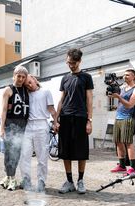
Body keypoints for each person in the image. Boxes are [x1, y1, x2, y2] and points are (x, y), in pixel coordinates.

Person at [55, 48, 94, 194]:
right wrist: (56, 119)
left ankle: (81, 180)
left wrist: (89, 120)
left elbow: (89, 99)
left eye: (72, 63)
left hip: (80, 117)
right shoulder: (64, 78)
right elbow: (61, 100)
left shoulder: (86, 77)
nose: (70, 65)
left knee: (81, 151)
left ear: (79, 61)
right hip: (65, 117)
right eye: (68, 62)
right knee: (65, 151)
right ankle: (69, 181)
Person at [19, 75, 57, 192]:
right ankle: (26, 179)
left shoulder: (45, 92)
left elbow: (51, 109)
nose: (29, 85)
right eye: (27, 85)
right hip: (28, 125)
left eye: (30, 82)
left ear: (35, 80)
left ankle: (41, 180)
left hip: (41, 125)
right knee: (25, 155)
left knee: (42, 156)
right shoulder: (26, 95)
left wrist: (56, 122)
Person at [0, 65, 29, 191]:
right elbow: (4, 110)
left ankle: (10, 176)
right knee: (9, 152)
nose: (21, 79)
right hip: (11, 124)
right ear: (14, 76)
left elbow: (37, 85)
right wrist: (2, 128)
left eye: (23, 77)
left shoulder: (27, 90)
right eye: (19, 76)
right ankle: (10, 177)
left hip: (23, 124)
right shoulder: (8, 90)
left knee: (17, 153)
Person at [110, 69, 135, 175]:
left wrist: (118, 97)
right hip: (118, 117)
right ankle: (122, 166)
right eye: (124, 75)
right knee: (118, 142)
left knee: (128, 142)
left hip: (128, 118)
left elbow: (130, 105)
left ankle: (133, 168)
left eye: (127, 75)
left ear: (133, 77)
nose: (125, 76)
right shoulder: (122, 88)